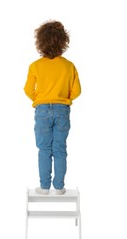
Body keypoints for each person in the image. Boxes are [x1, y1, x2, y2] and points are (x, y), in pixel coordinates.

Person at [24, 20, 81, 195]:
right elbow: (77, 91)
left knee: (44, 149)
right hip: (62, 110)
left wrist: (39, 99)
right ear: (63, 42)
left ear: (40, 43)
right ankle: (59, 186)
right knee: (60, 148)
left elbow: (27, 89)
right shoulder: (69, 66)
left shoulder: (35, 66)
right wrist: (64, 98)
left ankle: (44, 186)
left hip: (41, 110)